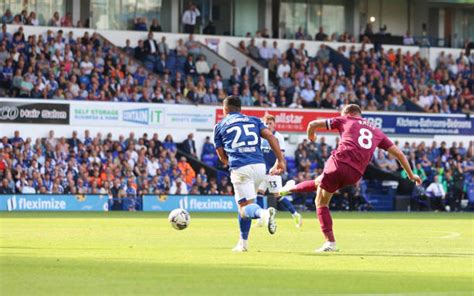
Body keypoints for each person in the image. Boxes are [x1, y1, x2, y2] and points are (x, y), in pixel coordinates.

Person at [279, 104, 422, 252]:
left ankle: (330, 243)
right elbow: (399, 154)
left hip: (338, 164)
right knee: (319, 182)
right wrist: (411, 175)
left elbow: (312, 124)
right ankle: (289, 189)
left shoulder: (345, 119)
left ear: (347, 113)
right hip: (355, 175)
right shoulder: (376, 131)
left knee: (320, 201)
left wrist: (311, 136)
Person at [214, 96, 286, 252]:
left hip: (240, 167)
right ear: (240, 109)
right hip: (260, 166)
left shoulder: (219, 126)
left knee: (243, 208)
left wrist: (232, 163)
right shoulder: (254, 120)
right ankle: (243, 243)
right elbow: (271, 136)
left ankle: (264, 214)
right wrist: (280, 160)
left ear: (224, 109)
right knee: (248, 204)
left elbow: (221, 157)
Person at [256, 114, 302, 228]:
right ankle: (261, 219)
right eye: (266, 123)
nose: (268, 125)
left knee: (277, 195)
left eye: (270, 123)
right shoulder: (260, 136)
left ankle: (295, 214)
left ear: (274, 124)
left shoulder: (278, 137)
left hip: (273, 171)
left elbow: (281, 154)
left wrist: (275, 166)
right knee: (259, 193)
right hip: (262, 170)